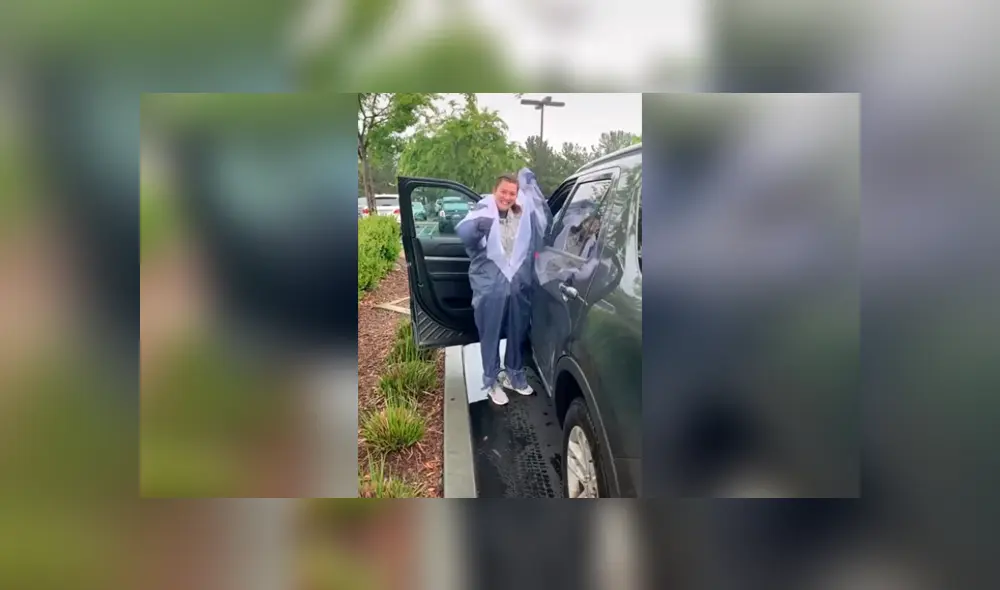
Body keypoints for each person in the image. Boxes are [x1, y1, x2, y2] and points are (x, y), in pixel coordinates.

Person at [456, 170, 550, 405]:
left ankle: (514, 375)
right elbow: (465, 233)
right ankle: (490, 381)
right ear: (494, 190)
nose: (507, 197)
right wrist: (480, 225)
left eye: (512, 193)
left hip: (518, 284)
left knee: (517, 331)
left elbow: (539, 234)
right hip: (489, 285)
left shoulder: (521, 213)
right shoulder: (483, 210)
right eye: (503, 192)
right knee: (491, 333)